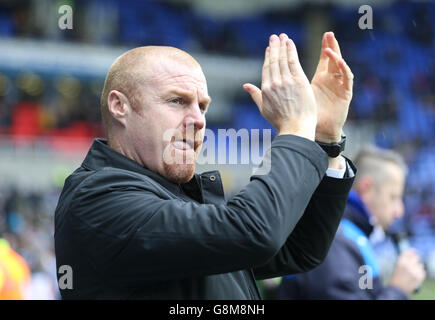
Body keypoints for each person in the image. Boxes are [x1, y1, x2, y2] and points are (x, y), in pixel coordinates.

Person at [54, 32, 356, 299]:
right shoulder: (97, 198)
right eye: (177, 101)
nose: (199, 120)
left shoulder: (174, 196)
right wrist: (296, 127)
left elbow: (299, 249)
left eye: (203, 106)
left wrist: (324, 139)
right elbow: (254, 232)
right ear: (120, 106)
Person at [278, 146, 426, 300]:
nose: (399, 211)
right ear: (366, 188)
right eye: (393, 197)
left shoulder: (347, 235)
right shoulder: (335, 239)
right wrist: (397, 290)